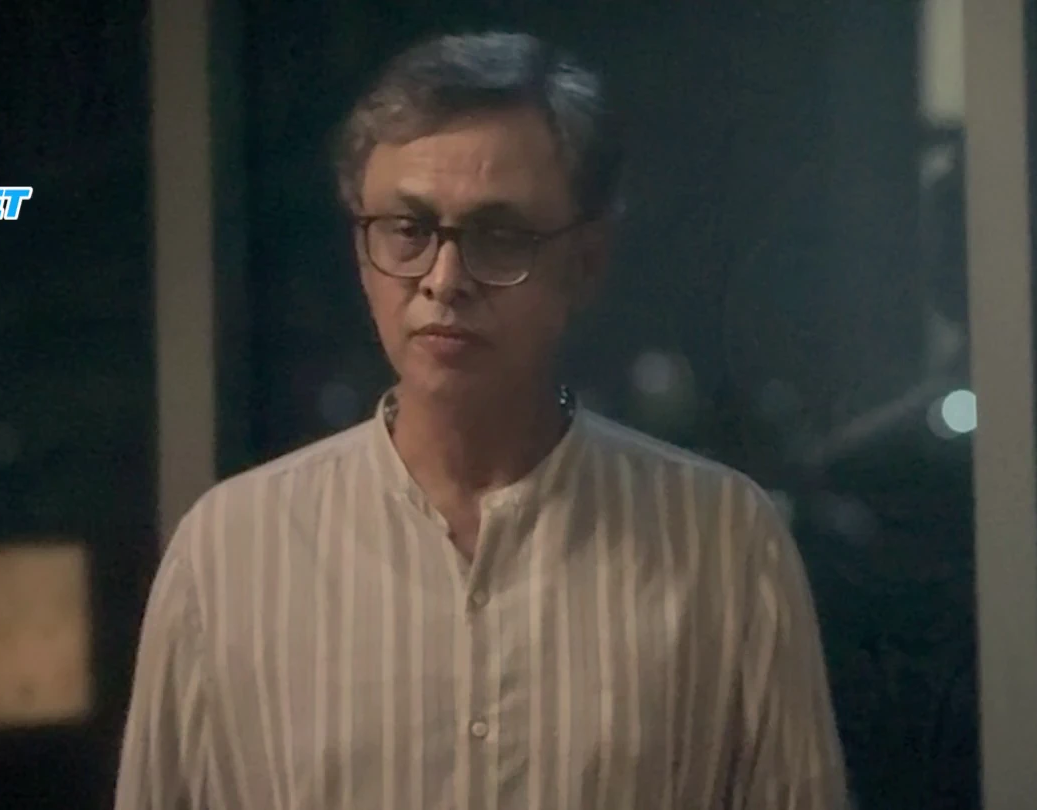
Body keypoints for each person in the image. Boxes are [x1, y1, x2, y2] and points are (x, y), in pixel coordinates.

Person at [115, 31, 848, 810]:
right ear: (362, 250)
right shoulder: (229, 554)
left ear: (586, 262)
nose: (444, 279)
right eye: (407, 230)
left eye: (499, 236)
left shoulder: (724, 544)